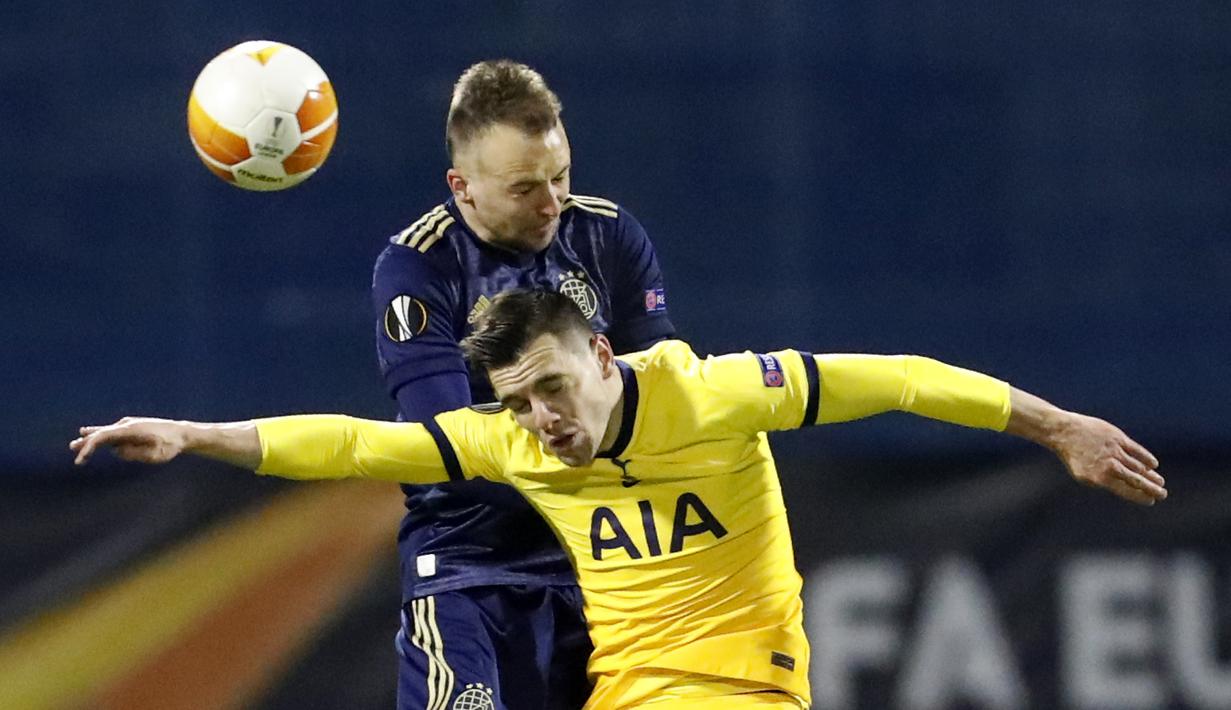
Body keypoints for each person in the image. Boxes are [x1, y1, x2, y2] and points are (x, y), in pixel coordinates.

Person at [72, 290, 1167, 709]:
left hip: (739, 688)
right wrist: (195, 433)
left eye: (554, 384)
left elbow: (904, 375)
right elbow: (361, 443)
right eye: (521, 398)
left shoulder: (717, 392)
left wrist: (1057, 424)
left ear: (602, 354)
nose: (544, 415)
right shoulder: (515, 441)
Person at [371, 60, 675, 708]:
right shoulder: (417, 265)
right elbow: (448, 446)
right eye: (523, 188)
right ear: (463, 187)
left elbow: (663, 388)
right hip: (466, 568)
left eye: (560, 176)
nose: (551, 202)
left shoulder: (608, 234)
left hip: (603, 563)